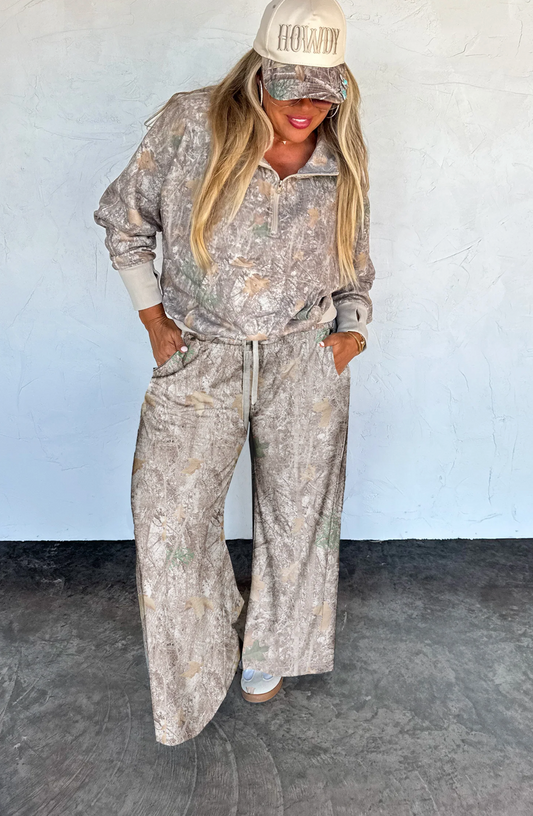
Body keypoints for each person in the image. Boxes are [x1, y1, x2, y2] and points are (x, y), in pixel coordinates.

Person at [93, 0, 376, 746]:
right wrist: (155, 322)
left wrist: (351, 333)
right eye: (290, 87)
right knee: (168, 518)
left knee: (299, 517)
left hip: (304, 361)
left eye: (324, 90)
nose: (306, 107)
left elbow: (354, 250)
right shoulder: (192, 124)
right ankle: (200, 655)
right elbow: (123, 220)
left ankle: (271, 649)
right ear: (256, 72)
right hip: (203, 358)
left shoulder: (339, 144)